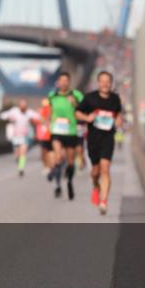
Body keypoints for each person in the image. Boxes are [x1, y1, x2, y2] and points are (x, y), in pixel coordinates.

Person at [76, 70, 123, 216]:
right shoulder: (90, 98)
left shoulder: (115, 99)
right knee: (95, 172)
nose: (105, 84)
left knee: (105, 169)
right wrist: (86, 117)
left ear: (111, 83)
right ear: (98, 83)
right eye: (102, 81)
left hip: (108, 138)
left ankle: (103, 201)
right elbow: (77, 112)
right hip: (93, 140)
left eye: (108, 81)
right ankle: (95, 187)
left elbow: (118, 114)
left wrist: (118, 120)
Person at [47, 72, 83, 200]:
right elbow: (50, 112)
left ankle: (69, 182)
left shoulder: (76, 95)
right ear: (58, 82)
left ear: (69, 82)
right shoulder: (52, 96)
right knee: (57, 157)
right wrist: (48, 123)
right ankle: (57, 186)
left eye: (66, 80)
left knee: (71, 162)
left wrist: (75, 103)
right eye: (61, 80)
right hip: (57, 131)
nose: (63, 83)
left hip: (71, 132)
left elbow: (84, 109)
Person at [0, 99, 41, 177]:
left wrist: (38, 117)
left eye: (24, 106)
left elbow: (38, 116)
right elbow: (2, 116)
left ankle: (21, 169)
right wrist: (9, 117)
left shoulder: (29, 112)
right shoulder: (14, 111)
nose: (23, 108)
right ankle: (18, 159)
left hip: (25, 135)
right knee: (17, 153)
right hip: (15, 136)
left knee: (23, 152)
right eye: (22, 106)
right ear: (19, 106)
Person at [36, 98, 54, 178]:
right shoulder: (41, 111)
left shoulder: (52, 110)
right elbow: (39, 121)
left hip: (52, 134)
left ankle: (50, 167)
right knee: (45, 152)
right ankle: (48, 167)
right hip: (44, 135)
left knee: (49, 152)